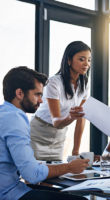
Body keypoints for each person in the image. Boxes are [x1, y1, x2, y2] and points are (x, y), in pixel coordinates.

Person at [0, 66, 89, 200]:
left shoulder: (4, 113)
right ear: (19, 93)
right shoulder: (15, 118)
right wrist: (69, 167)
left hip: (11, 187)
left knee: (63, 194)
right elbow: (32, 174)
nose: (41, 100)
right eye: (37, 94)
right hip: (9, 194)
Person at [30, 41, 91, 161]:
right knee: (34, 176)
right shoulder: (53, 82)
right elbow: (56, 121)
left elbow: (81, 118)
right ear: (69, 60)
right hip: (38, 132)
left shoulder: (85, 83)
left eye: (89, 60)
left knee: (56, 175)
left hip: (59, 136)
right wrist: (71, 116)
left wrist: (76, 150)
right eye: (82, 59)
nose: (86, 64)